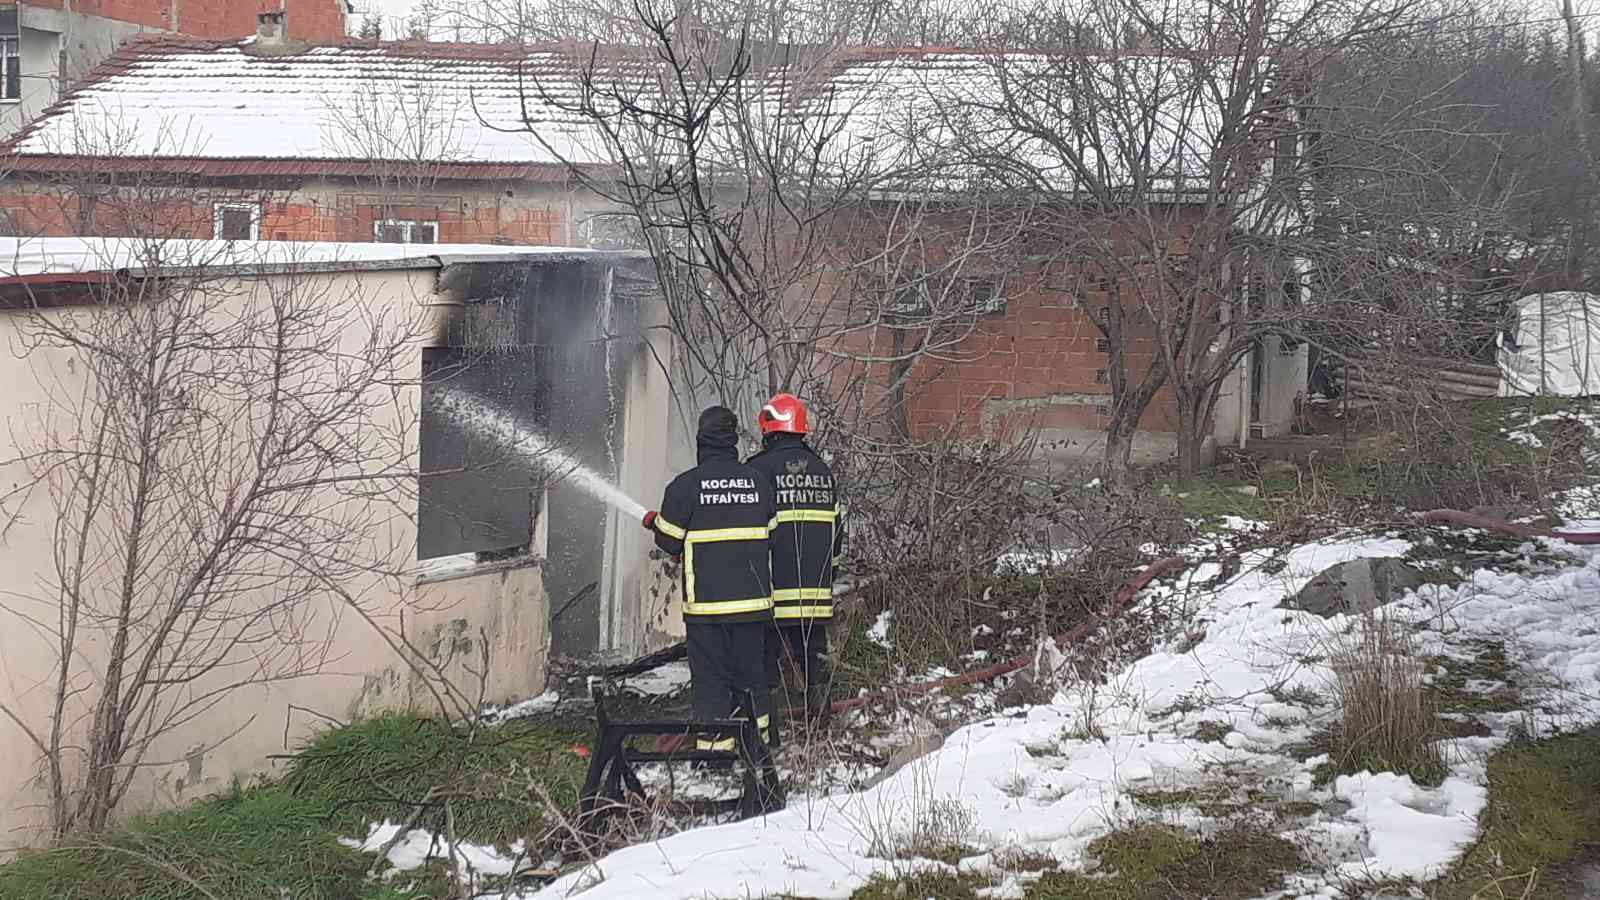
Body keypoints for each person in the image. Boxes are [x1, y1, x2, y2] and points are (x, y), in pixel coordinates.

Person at [642, 405, 777, 751]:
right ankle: (758, 751)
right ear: (733, 440)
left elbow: (669, 541)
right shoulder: (758, 483)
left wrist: (654, 523)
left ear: (702, 440)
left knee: (711, 681)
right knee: (752, 677)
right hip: (753, 606)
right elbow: (771, 533)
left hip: (708, 609)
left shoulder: (685, 486)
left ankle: (716, 755)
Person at [746, 393, 843, 737]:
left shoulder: (756, 471)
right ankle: (822, 730)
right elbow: (836, 532)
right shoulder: (823, 472)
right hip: (815, 594)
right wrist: (828, 575)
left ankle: (768, 735)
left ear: (769, 429)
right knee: (814, 660)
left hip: (771, 593)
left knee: (764, 666)